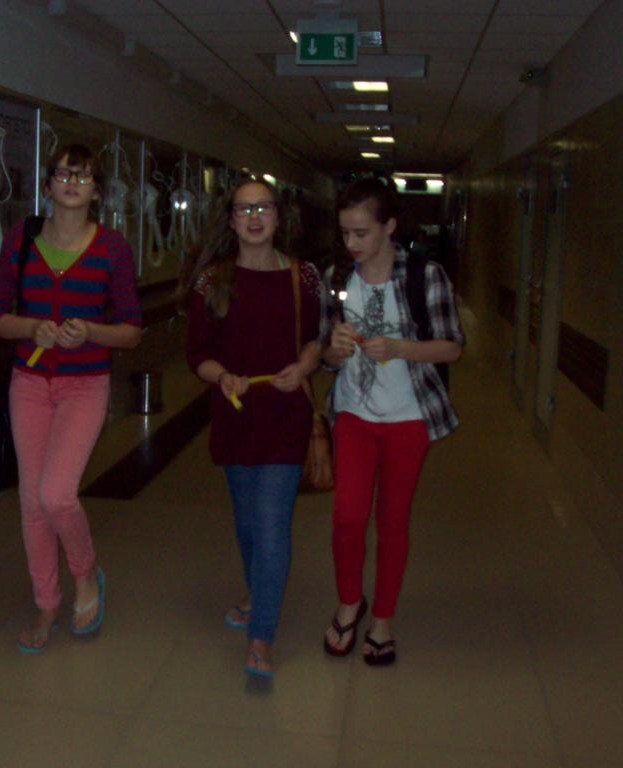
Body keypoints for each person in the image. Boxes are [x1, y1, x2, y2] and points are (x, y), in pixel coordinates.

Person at [0, 144, 142, 652]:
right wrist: (32, 327)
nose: (73, 182)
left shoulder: (112, 248)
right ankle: (47, 602)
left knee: (56, 495)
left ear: (96, 192)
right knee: (31, 500)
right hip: (29, 382)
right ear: (47, 184)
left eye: (84, 176)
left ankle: (85, 573)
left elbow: (131, 330)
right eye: (65, 174)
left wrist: (90, 331)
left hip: (84, 384)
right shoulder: (21, 239)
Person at [183, 177, 323, 678]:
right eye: (244, 210)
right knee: (247, 524)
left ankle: (261, 635)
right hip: (236, 416)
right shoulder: (213, 281)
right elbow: (197, 354)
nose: (255, 217)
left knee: (271, 524)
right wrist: (222, 376)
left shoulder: (303, 277)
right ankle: (257, 592)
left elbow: (315, 341)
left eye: (263, 207)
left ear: (278, 217)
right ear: (232, 220)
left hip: (286, 416)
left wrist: (302, 368)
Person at [321, 178, 463, 665]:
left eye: (361, 233)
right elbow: (325, 354)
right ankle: (349, 603)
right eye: (345, 232)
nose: (351, 243)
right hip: (353, 415)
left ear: (389, 227)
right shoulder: (338, 277)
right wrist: (334, 351)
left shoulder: (425, 275)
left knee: (392, 520)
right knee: (347, 516)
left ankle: (382, 619)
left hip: (408, 418)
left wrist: (401, 348)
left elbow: (452, 347)